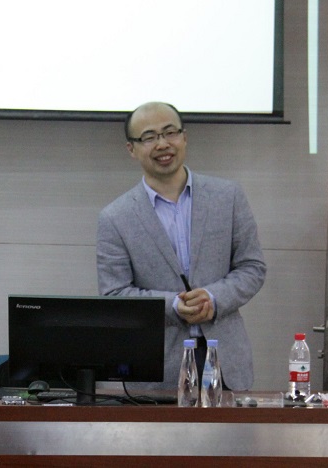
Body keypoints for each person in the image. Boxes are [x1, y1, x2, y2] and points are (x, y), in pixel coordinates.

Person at [96, 102, 266, 391]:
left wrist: (213, 298)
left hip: (225, 360)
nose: (162, 144)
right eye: (149, 137)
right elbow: (115, 293)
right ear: (131, 149)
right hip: (157, 367)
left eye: (170, 132)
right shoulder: (115, 217)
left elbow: (252, 267)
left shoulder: (228, 196)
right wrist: (174, 305)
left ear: (184, 137)